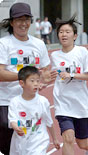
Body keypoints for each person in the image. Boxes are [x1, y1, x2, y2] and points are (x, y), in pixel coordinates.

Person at [0, 3, 57, 155]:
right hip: (6, 101)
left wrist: (43, 80)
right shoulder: (4, 43)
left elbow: (45, 72)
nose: (23, 23)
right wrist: (25, 77)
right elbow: (0, 74)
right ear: (12, 22)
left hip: (31, 102)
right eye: (19, 19)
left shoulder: (38, 44)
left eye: (26, 19)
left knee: (30, 145)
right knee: (8, 146)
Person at [51, 16, 88, 155]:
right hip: (63, 103)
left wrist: (72, 75)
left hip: (80, 104)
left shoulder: (82, 52)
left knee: (82, 143)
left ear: (75, 35)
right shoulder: (54, 55)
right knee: (68, 138)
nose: (64, 34)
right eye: (61, 32)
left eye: (67, 31)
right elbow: (51, 76)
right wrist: (43, 80)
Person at [8, 66, 60, 155]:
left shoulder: (43, 101)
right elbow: (12, 120)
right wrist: (16, 127)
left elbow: (49, 122)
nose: (36, 84)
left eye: (37, 81)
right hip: (20, 142)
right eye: (32, 81)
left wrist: (55, 139)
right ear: (22, 83)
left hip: (39, 140)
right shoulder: (15, 102)